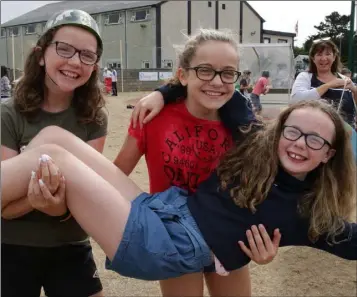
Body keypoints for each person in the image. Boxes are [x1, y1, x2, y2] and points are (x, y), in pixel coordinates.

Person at [2, 100, 356, 286]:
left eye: (315, 140)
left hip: (167, 246)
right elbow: (224, 92)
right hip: (164, 210)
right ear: (280, 131)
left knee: (57, 157)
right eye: (293, 132)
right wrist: (163, 92)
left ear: (329, 154)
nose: (299, 144)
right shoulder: (256, 147)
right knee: (53, 136)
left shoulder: (311, 213)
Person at [114, 28, 276, 297]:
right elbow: (117, 173)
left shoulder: (244, 128)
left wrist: (265, 240)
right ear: (183, 75)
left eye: (227, 73)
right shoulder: (153, 116)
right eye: (204, 70)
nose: (216, 81)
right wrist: (144, 218)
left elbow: (263, 189)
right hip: (175, 238)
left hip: (226, 235)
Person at [1, 9, 107, 297]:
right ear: (41, 54)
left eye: (87, 55)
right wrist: (36, 202)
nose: (75, 62)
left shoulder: (94, 118)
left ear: (95, 65)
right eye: (64, 48)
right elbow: (3, 205)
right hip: (9, 246)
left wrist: (56, 206)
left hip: (70, 244)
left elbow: (84, 197)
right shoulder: (8, 114)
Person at [291, 38, 357, 129]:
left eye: (328, 54)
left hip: (346, 137)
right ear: (313, 58)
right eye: (319, 54)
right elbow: (295, 100)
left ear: (334, 57)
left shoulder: (344, 79)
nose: (323, 58)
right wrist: (328, 85)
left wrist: (354, 89)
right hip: (314, 136)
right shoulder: (305, 77)